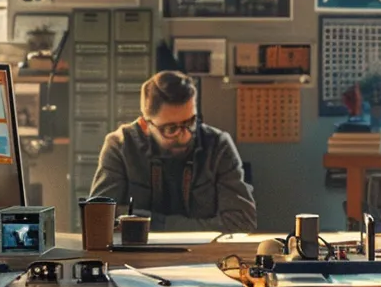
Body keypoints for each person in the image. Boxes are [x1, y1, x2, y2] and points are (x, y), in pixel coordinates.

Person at [89, 70, 256, 233]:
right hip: (136, 256)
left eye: (190, 122)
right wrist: (200, 226)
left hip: (203, 255)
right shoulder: (120, 146)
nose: (185, 135)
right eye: (171, 128)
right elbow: (98, 218)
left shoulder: (218, 145)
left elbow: (241, 222)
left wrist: (145, 221)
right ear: (145, 125)